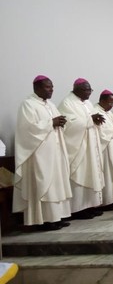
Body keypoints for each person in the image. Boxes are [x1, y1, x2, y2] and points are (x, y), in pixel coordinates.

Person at [12, 76, 72, 230]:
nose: (51, 90)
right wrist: (51, 123)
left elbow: (56, 123)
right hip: (40, 154)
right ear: (37, 88)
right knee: (44, 184)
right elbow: (26, 129)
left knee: (56, 184)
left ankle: (56, 217)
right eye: (47, 87)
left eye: (52, 87)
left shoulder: (51, 105)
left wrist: (61, 123)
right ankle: (42, 220)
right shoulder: (28, 105)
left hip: (55, 152)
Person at [58, 78, 105, 219]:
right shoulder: (67, 103)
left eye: (90, 90)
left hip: (90, 144)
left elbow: (90, 119)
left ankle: (90, 206)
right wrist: (91, 120)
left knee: (91, 174)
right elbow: (69, 124)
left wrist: (96, 119)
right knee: (80, 175)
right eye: (85, 90)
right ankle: (78, 209)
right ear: (76, 89)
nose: (88, 92)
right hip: (79, 147)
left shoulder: (88, 103)